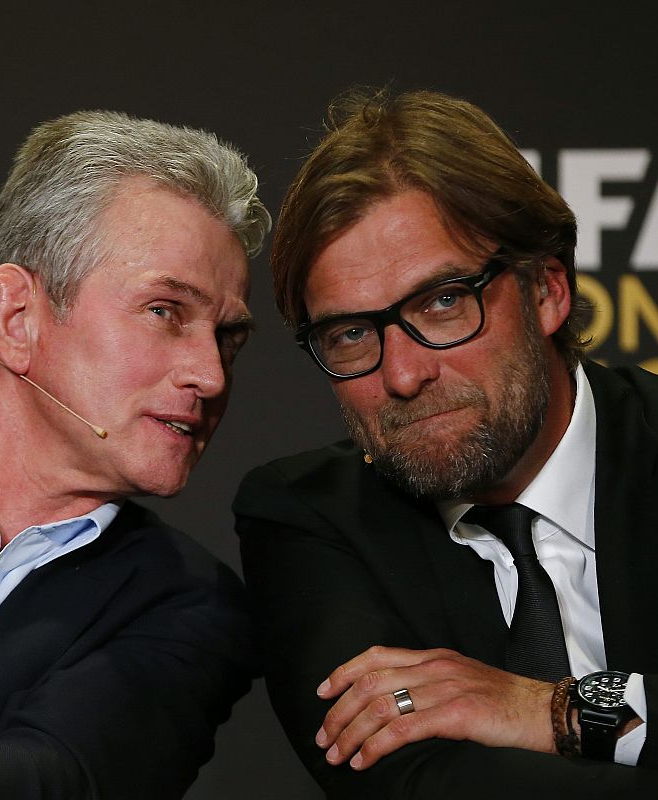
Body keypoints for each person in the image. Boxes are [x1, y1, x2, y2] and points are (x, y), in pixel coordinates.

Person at [233, 88, 658, 797]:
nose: (402, 374)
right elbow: (421, 785)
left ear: (547, 290)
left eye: (442, 300)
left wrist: (553, 708)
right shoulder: (309, 518)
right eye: (351, 334)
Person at [0, 109, 271, 798]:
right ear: (17, 318)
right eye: (165, 311)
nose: (211, 376)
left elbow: (49, 784)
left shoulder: (191, 606)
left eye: (228, 338)